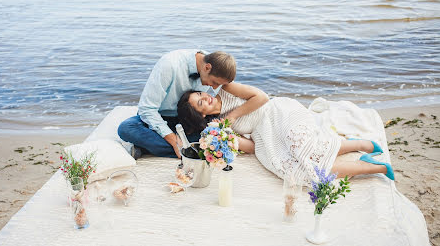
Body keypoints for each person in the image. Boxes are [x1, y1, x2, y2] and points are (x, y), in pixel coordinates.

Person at [177, 82, 395, 184]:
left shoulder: (227, 89)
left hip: (278, 112)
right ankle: (372, 166)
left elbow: (261, 98)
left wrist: (231, 117)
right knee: (298, 171)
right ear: (199, 114)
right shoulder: (216, 128)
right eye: (200, 102)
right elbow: (252, 147)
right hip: (264, 136)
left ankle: (361, 147)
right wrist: (230, 139)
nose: (205, 97)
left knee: (304, 150)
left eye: (200, 94)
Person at [118, 49, 236, 159]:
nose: (215, 88)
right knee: (126, 128)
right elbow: (147, 109)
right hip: (160, 116)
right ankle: (188, 151)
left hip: (189, 120)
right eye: (214, 82)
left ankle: (147, 147)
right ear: (207, 67)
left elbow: (233, 96)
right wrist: (173, 140)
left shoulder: (217, 66)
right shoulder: (170, 64)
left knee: (214, 136)